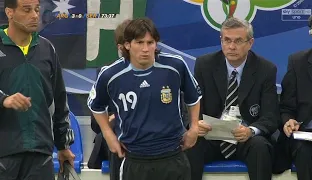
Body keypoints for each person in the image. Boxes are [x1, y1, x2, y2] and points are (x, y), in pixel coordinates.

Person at [87, 17, 201, 180]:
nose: (146, 49)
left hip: (173, 157)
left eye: (150, 42)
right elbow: (96, 105)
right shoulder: (111, 74)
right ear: (127, 45)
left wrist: (194, 126)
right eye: (139, 43)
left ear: (156, 43)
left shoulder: (175, 66)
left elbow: (194, 97)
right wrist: (107, 134)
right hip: (135, 159)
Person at [186, 17, 279, 180]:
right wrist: (195, 124)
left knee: (260, 146)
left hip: (245, 138)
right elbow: (193, 104)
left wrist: (251, 131)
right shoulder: (204, 65)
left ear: (250, 43)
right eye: (226, 40)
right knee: (191, 143)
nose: (231, 46)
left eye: (238, 41)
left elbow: (270, 117)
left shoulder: (266, 69)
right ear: (221, 41)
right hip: (212, 137)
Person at [0, 0, 75, 179]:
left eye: (37, 10)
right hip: (4, 153)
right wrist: (3, 99)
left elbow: (59, 99)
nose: (34, 15)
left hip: (40, 154)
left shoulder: (47, 49)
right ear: (10, 12)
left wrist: (63, 146)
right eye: (27, 10)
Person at [277, 12, 312, 180]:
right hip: (310, 136)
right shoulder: (299, 62)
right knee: (305, 152)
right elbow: (287, 107)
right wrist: (289, 120)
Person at [88, 20, 131, 180]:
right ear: (120, 47)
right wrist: (108, 120)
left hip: (150, 135)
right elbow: (95, 123)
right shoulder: (107, 74)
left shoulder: (163, 72)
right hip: (114, 136)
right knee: (116, 133)